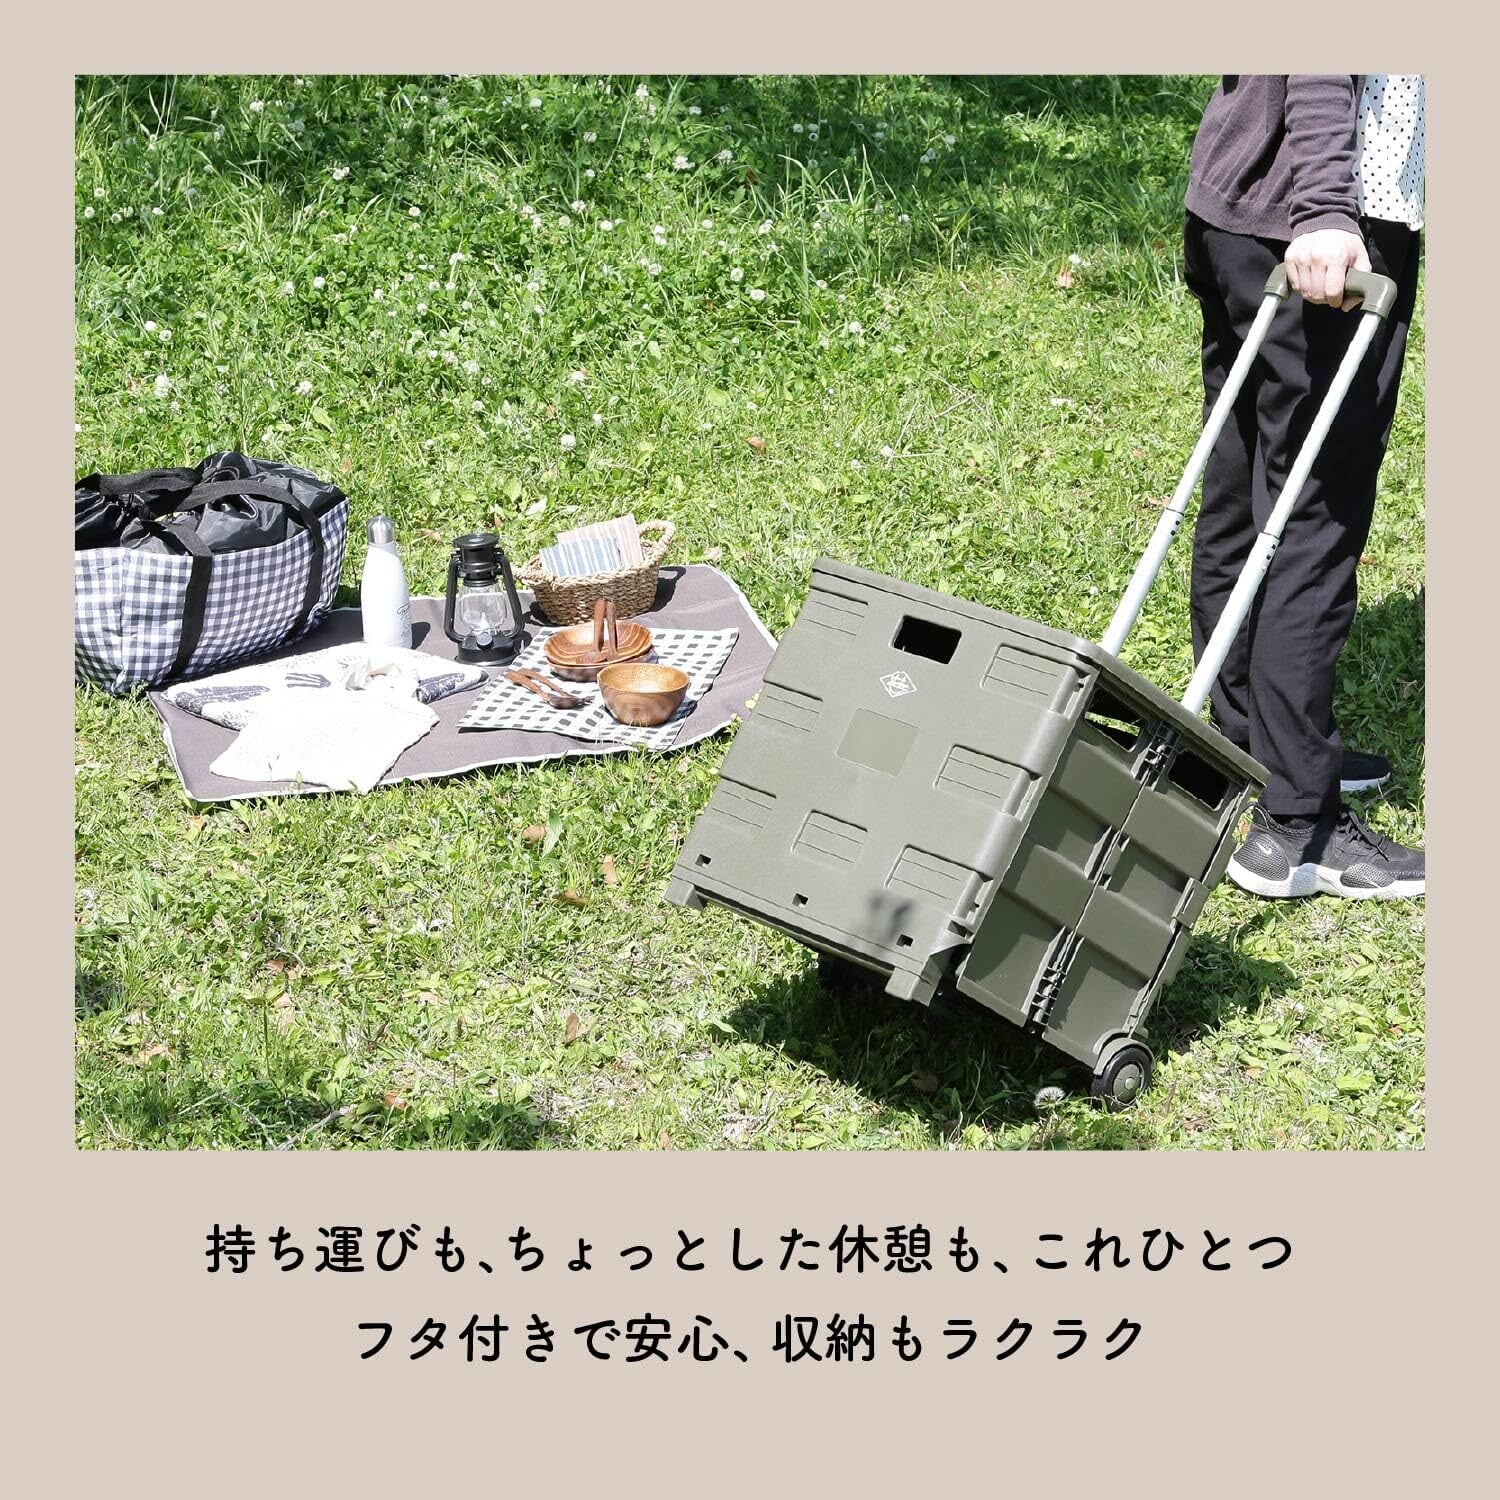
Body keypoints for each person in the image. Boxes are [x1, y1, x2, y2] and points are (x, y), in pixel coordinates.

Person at [1182, 75, 1425, 900]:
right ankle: (1296, 824)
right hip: (1323, 229)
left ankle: (1249, 750)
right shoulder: (1326, 215)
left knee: (1242, 490)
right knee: (1313, 518)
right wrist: (1325, 209)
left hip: (1238, 202)